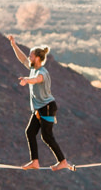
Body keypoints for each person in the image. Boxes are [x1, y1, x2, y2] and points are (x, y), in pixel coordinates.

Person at [9, 35, 73, 170]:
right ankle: (35, 162)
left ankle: (63, 162)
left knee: (47, 136)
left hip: (47, 107)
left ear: (38, 58)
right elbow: (22, 59)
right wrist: (13, 45)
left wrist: (27, 80)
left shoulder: (42, 72)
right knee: (30, 132)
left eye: (31, 56)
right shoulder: (33, 68)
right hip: (39, 108)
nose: (29, 58)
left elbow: (37, 79)